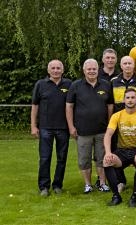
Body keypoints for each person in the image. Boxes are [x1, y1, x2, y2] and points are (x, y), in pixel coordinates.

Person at [66, 59, 114, 194]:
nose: (92, 71)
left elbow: (110, 106)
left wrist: (110, 124)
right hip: (83, 131)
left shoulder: (106, 85)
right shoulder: (75, 85)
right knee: (84, 159)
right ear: (84, 70)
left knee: (102, 158)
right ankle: (88, 184)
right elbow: (69, 106)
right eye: (89, 69)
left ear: (98, 70)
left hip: (102, 131)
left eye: (94, 69)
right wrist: (71, 126)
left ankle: (102, 183)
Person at [103, 88, 136, 207]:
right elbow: (108, 135)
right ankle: (116, 196)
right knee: (107, 161)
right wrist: (108, 152)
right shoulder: (116, 115)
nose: (130, 100)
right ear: (124, 100)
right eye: (128, 98)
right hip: (122, 151)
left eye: (133, 97)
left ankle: (134, 196)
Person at [31, 59, 72, 196]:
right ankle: (44, 187)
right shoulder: (41, 84)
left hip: (63, 128)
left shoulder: (68, 84)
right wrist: (33, 126)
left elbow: (72, 106)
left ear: (62, 70)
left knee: (62, 158)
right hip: (45, 128)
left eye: (58, 68)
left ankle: (57, 185)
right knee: (44, 158)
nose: (55, 70)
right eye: (53, 68)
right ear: (48, 70)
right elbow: (35, 106)